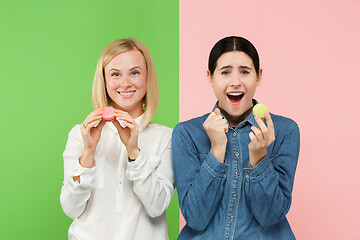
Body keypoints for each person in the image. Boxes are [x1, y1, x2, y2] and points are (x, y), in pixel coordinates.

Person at [172, 36, 300, 239]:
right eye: (225, 72)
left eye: (245, 72)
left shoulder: (285, 131)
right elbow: (196, 218)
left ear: (258, 76)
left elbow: (269, 216)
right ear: (210, 77)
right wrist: (216, 151)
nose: (235, 82)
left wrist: (259, 157)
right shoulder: (186, 133)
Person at [60, 38, 174, 240]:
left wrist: (134, 153)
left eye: (135, 72)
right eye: (115, 74)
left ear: (147, 78)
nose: (125, 83)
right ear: (104, 81)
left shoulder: (166, 137)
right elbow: (70, 208)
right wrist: (88, 153)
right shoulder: (80, 135)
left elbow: (157, 206)